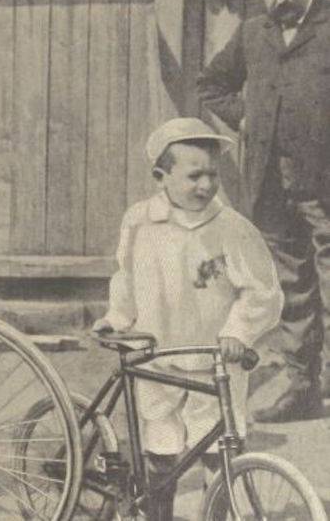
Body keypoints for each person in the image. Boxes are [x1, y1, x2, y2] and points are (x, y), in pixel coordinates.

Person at [92, 117, 283, 521]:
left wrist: (238, 332)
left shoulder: (231, 227)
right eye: (194, 175)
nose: (206, 185)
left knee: (219, 449)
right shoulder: (140, 221)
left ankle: (216, 514)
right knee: (160, 444)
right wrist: (118, 317)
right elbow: (126, 276)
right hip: (156, 354)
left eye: (212, 175)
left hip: (214, 359)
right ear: (161, 177)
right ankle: (157, 514)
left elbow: (262, 290)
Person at [197, 0, 330, 422]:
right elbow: (211, 84)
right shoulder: (254, 33)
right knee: (293, 285)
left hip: (324, 180)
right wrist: (244, 119)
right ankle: (301, 386)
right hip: (270, 183)